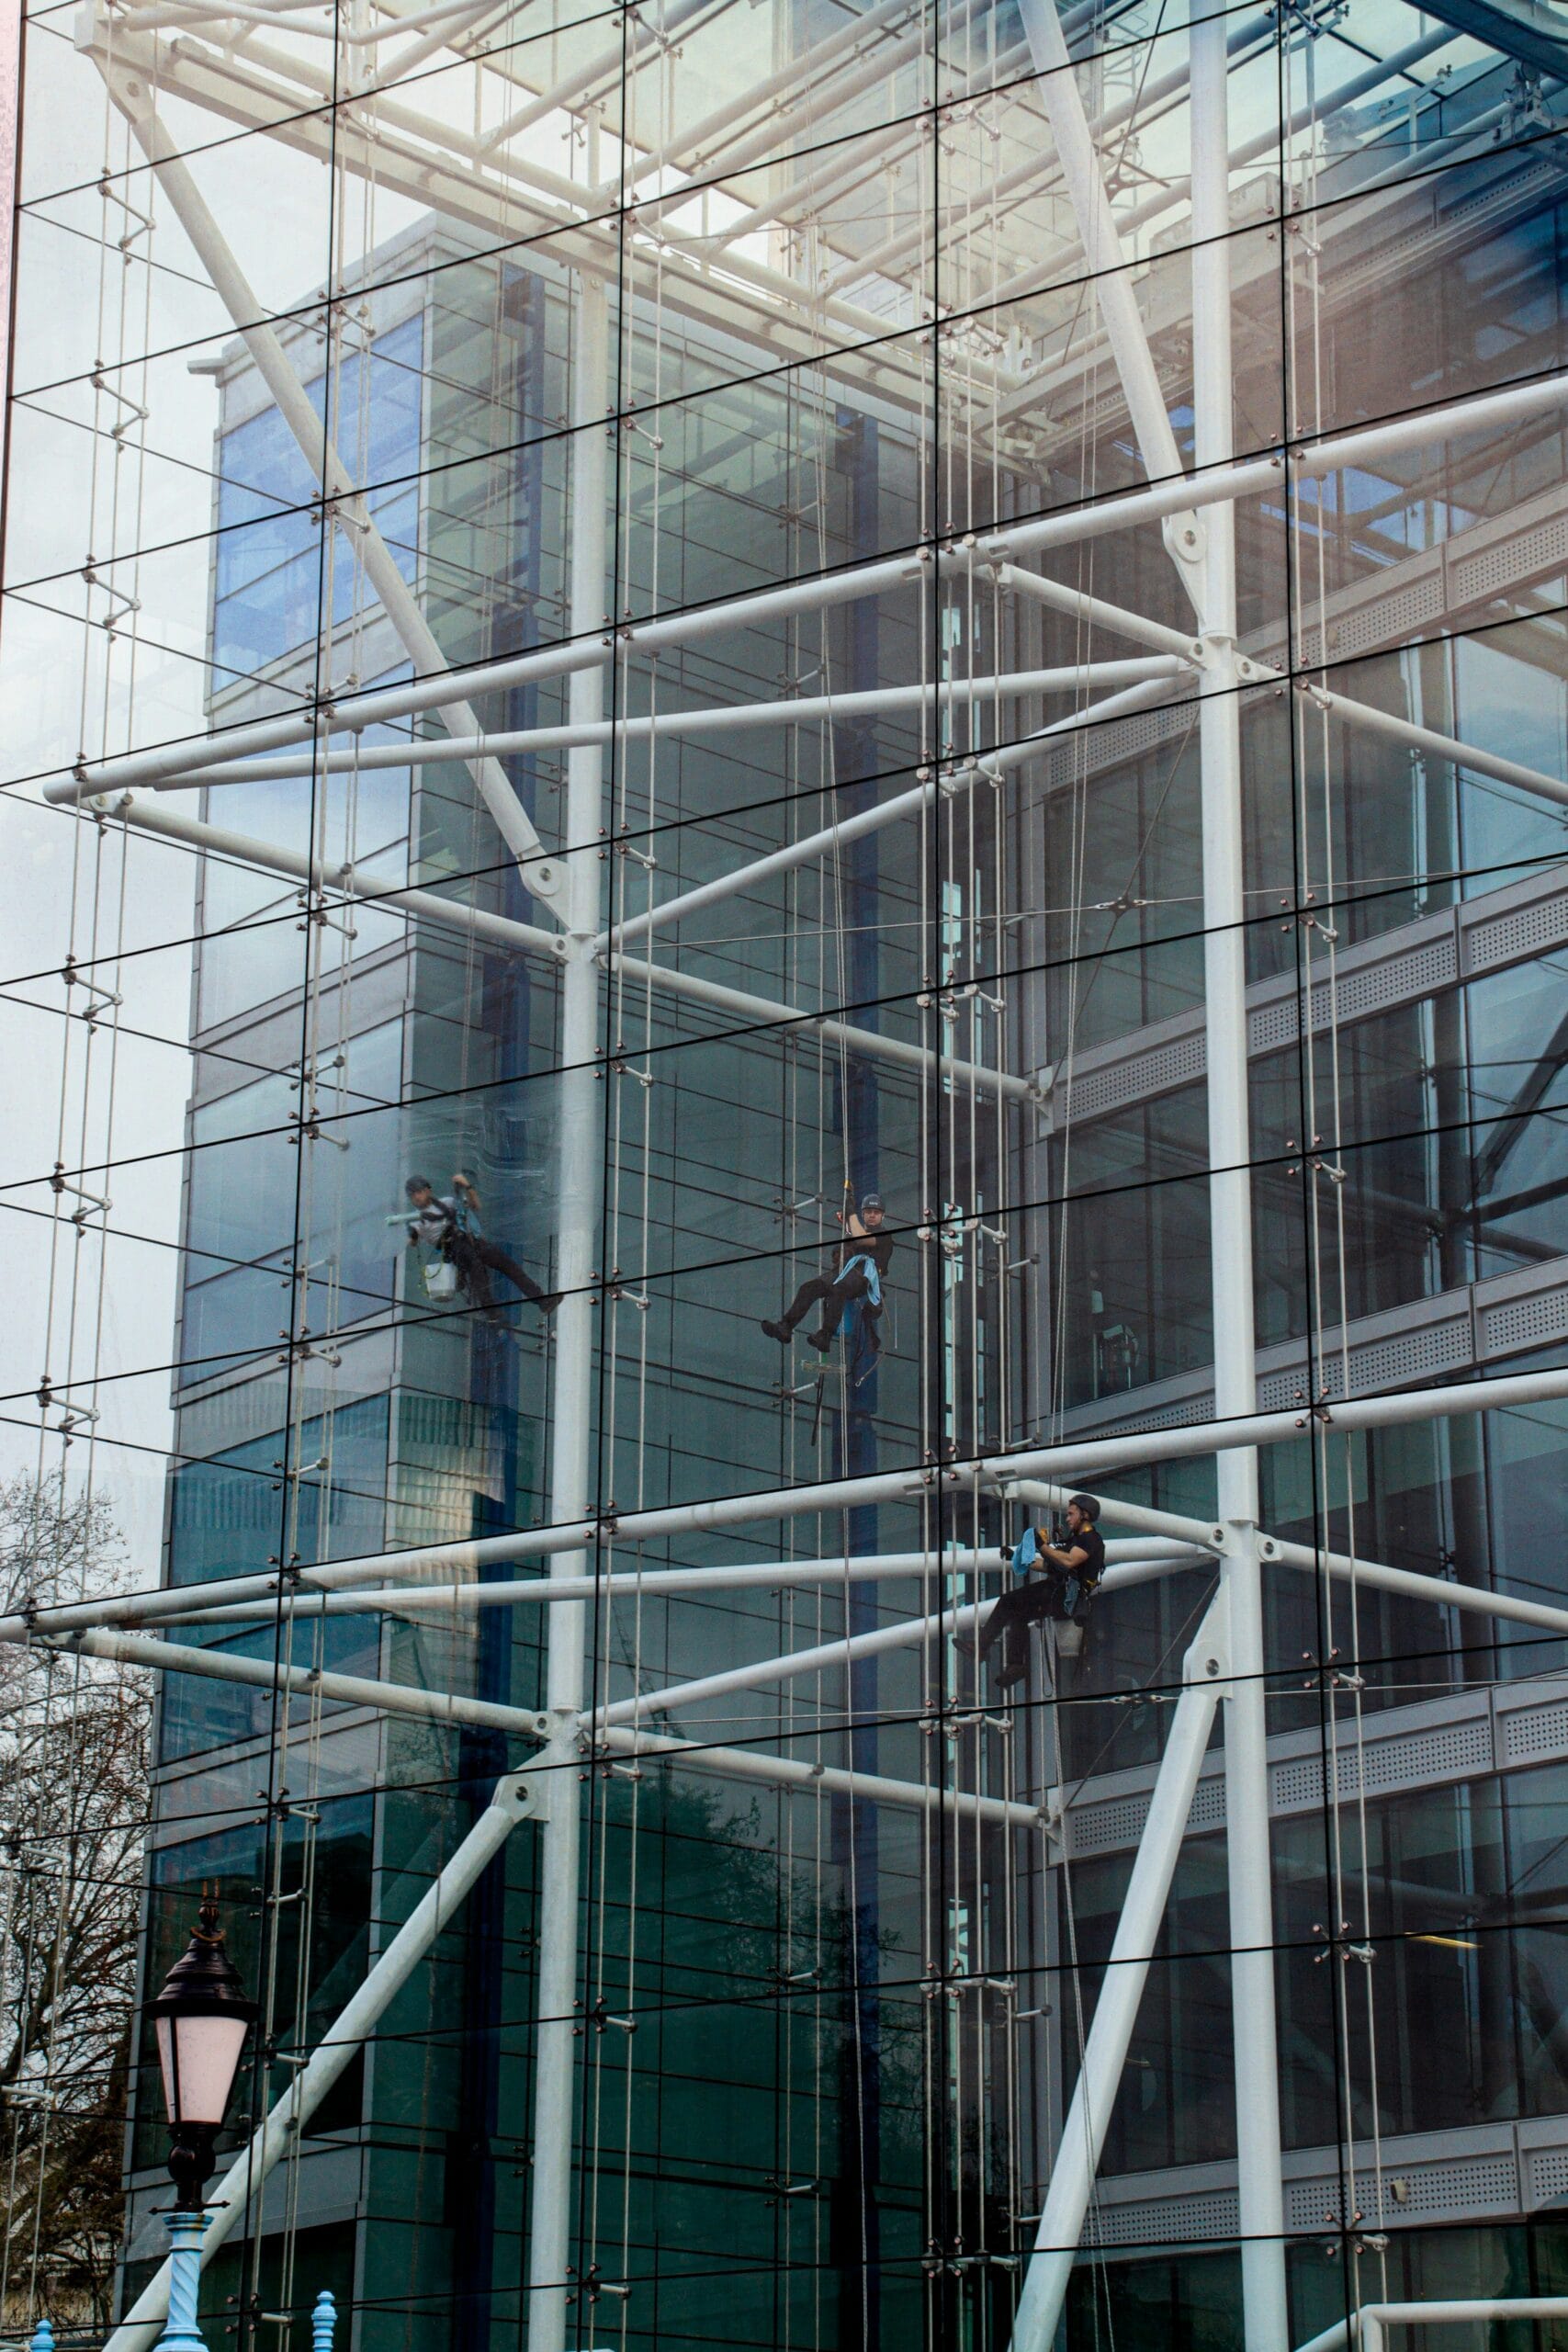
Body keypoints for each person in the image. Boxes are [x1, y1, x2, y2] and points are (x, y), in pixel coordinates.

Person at [971, 1494, 1106, 1690]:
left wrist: (1041, 1545)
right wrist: (1018, 1558)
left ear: (1084, 1514)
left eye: (1070, 1514)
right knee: (1017, 1614)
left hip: (1065, 1594)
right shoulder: (1076, 1540)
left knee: (1009, 1601)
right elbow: (1051, 1565)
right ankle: (1015, 1665)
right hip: (1060, 1592)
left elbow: (1068, 1561)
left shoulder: (1090, 1540)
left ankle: (981, 1647)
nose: (1067, 1519)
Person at [403, 1171, 559, 1321]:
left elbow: (475, 1205)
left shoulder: (447, 1203)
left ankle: (541, 1300)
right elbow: (412, 1241)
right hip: (454, 1248)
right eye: (413, 1195)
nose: (416, 1197)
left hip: (472, 1241)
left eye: (419, 1192)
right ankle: (490, 1311)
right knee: (477, 1271)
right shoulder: (416, 1219)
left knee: (509, 1266)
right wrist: (412, 1235)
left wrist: (468, 1187)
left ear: (428, 1191)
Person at [761, 1193, 893, 1354]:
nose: (872, 1215)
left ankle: (825, 1334)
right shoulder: (855, 1233)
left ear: (882, 1215)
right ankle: (785, 1326)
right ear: (864, 1214)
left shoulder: (884, 1236)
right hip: (845, 1273)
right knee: (809, 1288)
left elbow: (860, 1238)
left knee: (840, 1289)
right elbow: (851, 1242)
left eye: (876, 1212)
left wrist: (851, 1212)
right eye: (869, 1211)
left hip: (864, 1278)